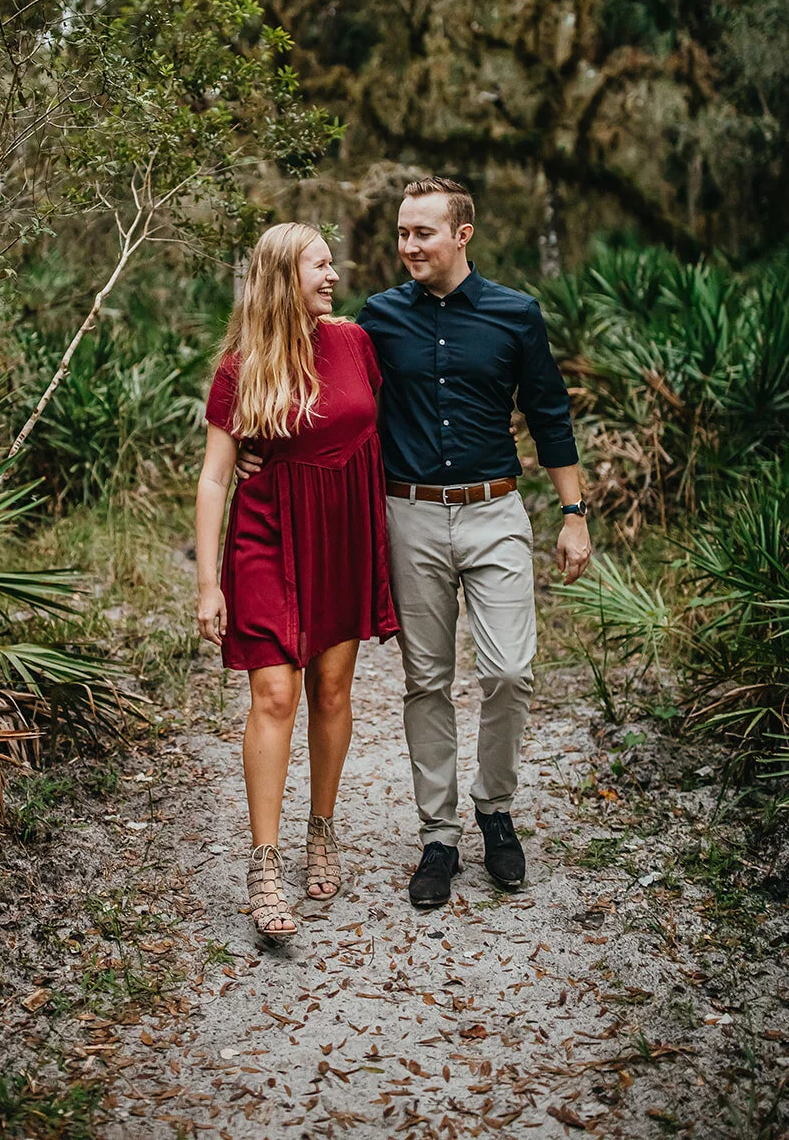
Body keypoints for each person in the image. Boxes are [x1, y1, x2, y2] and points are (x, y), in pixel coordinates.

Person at [238, 179, 591, 909]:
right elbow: (315, 389)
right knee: (426, 680)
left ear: (462, 234)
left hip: (494, 509)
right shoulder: (377, 319)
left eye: (421, 233)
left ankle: (494, 809)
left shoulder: (515, 314)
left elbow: (549, 412)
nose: (407, 246)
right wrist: (256, 451)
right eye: (401, 233)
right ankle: (439, 834)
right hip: (410, 515)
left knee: (509, 672)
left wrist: (573, 513)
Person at [195, 222, 399, 940]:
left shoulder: (354, 342)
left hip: (341, 534)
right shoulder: (239, 367)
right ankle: (263, 865)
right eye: (320, 264)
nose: (333, 275)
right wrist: (208, 585)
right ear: (284, 276)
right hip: (268, 533)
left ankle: (322, 828)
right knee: (275, 693)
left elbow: (371, 427)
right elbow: (215, 477)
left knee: (332, 691)